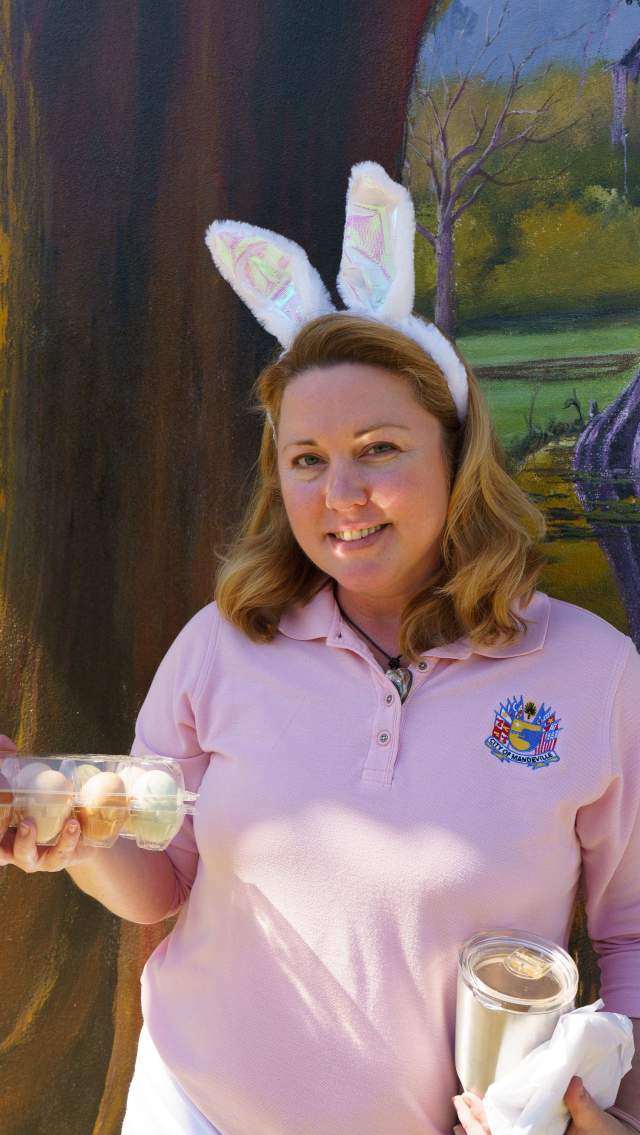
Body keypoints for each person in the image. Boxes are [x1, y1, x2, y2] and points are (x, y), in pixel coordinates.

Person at [1, 163, 639, 1135]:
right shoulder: (222, 646)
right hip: (190, 1110)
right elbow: (160, 880)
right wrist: (82, 842)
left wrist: (617, 1105)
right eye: (306, 458)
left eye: (378, 447)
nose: (338, 490)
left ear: (455, 450)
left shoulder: (589, 674)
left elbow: (630, 929)